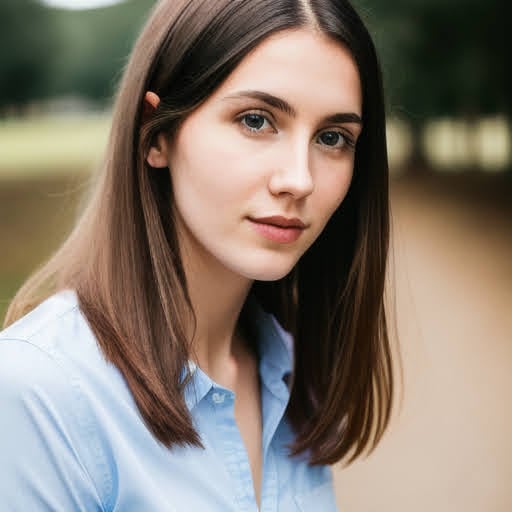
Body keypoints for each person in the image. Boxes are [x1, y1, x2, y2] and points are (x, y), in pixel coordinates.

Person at [0, 0, 394, 510]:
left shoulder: (294, 373)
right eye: (256, 121)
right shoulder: (37, 394)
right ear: (157, 132)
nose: (300, 179)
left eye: (332, 137)